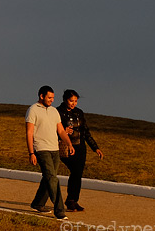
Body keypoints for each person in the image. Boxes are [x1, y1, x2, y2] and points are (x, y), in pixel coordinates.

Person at [26, 85, 75, 220]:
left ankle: (38, 203)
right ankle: (59, 210)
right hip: (41, 149)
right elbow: (29, 133)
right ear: (41, 96)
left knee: (48, 177)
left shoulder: (54, 111)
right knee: (52, 179)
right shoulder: (33, 110)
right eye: (49, 97)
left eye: (53, 98)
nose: (51, 100)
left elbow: (60, 130)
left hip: (55, 149)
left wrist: (69, 143)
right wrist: (31, 153)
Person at [57, 89, 104, 212]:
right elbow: (51, 130)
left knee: (78, 174)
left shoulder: (79, 113)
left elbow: (86, 132)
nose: (73, 103)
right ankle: (70, 200)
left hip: (80, 147)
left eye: (75, 101)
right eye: (71, 100)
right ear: (65, 99)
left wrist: (95, 147)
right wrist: (61, 132)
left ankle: (73, 200)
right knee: (75, 171)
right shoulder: (57, 112)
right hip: (65, 146)